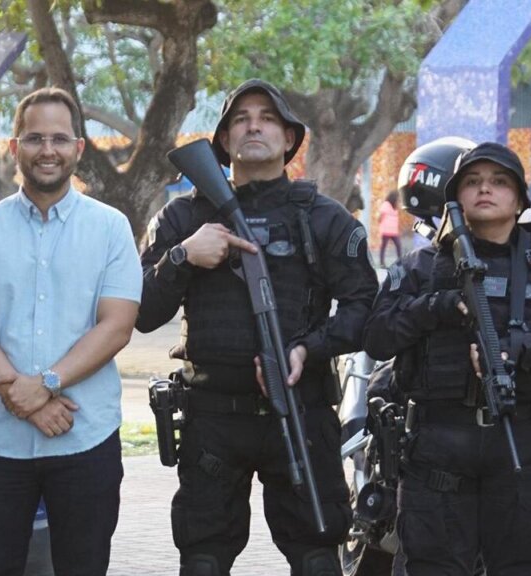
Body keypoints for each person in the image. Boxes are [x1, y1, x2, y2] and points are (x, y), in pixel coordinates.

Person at [136, 78, 378, 576]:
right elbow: (141, 312)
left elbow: (365, 310)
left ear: (289, 139)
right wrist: (183, 257)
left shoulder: (324, 218)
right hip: (212, 417)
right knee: (203, 558)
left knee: (317, 556)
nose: (254, 127)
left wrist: (308, 349)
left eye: (267, 119)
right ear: (224, 140)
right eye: (241, 119)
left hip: (301, 411)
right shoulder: (183, 218)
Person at [0, 87, 142, 576]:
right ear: (15, 147)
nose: (47, 150)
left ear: (79, 147)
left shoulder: (111, 229)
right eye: (34, 138)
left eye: (59, 139)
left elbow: (117, 326)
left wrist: (47, 383)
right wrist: (25, 398)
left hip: (85, 438)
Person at [364, 141, 531, 575]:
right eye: (473, 181)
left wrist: (516, 349)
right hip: (437, 454)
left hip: (525, 448)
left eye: (499, 181)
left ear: (519, 200)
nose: (485, 189)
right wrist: (435, 307)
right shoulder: (420, 268)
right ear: (455, 197)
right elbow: (377, 337)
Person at [378, 190, 402, 266]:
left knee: (398, 245)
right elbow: (380, 216)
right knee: (383, 246)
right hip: (386, 230)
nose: (398, 200)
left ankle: (400, 262)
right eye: (397, 198)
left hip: (394, 231)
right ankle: (382, 263)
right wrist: (381, 223)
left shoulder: (395, 206)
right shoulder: (386, 204)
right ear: (394, 198)